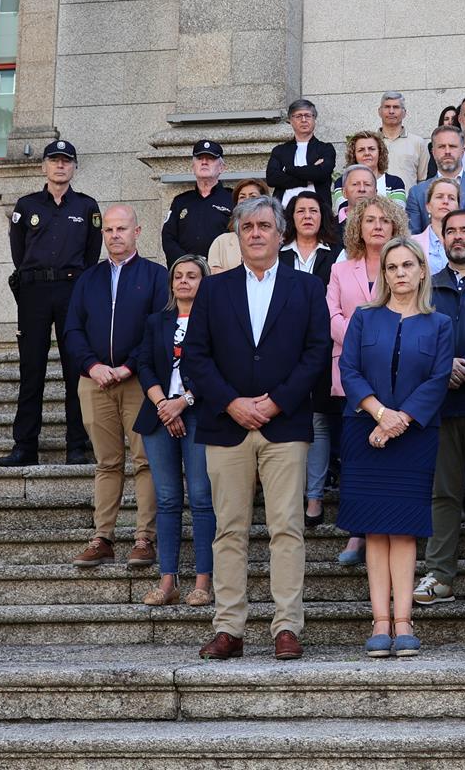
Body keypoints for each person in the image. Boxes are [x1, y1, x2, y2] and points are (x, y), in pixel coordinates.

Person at [184, 194, 331, 661]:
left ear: (280, 233)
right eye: (247, 227)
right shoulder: (213, 288)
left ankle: (287, 626)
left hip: (284, 425)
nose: (256, 234)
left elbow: (316, 351)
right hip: (225, 425)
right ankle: (229, 627)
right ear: (238, 235)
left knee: (286, 528)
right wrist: (231, 402)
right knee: (229, 530)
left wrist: (275, 402)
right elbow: (195, 357)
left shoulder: (306, 288)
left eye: (264, 226)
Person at [338, 237, 454, 658]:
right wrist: (379, 414)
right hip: (364, 431)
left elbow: (438, 379)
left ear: (422, 270)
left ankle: (404, 621)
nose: (400, 272)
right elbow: (348, 369)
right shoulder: (365, 318)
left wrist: (398, 420)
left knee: (404, 530)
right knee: (374, 529)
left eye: (408, 265)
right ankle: (380, 622)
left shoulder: (439, 324)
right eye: (392, 267)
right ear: (383, 274)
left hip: (415, 434)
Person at [63, 202, 169, 567]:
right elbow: (72, 330)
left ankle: (144, 538)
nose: (115, 235)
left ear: (137, 232)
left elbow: (158, 329)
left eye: (122, 229)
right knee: (107, 462)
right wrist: (92, 366)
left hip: (138, 382)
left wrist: (127, 367)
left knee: (145, 461)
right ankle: (102, 538)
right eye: (109, 230)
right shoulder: (87, 279)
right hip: (94, 383)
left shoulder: (156, 277)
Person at [1, 139, 101, 467]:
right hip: (34, 294)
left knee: (76, 369)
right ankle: (25, 446)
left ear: (74, 167)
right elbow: (19, 253)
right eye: (54, 161)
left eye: (66, 161)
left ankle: (77, 445)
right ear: (43, 166)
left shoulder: (86, 207)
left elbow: (90, 254)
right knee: (32, 369)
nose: (60, 166)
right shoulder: (27, 206)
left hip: (72, 293)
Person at [327, 195, 410, 564]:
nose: (377, 226)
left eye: (384, 220)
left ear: (395, 228)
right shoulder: (341, 269)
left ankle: (394, 528)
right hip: (352, 374)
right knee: (356, 459)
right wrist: (364, 337)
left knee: (393, 459)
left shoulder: (404, 267)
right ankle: (357, 535)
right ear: (357, 227)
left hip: (397, 376)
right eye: (369, 220)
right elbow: (330, 315)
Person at [417, 209, 465, 604]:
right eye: (451, 231)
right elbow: (414, 342)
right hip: (439, 406)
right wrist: (441, 366)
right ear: (441, 240)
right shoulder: (426, 289)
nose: (458, 236)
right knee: (442, 494)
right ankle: (439, 574)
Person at [133, 254, 215, 607]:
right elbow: (145, 364)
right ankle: (168, 580)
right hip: (157, 415)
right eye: (178, 276)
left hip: (198, 413)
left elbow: (216, 366)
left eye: (192, 276)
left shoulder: (215, 322)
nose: (183, 281)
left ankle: (203, 582)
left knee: (200, 497)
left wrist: (183, 402)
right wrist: (164, 405)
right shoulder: (156, 321)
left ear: (204, 281)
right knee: (166, 499)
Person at [280, 192, 341, 529]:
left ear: (323, 216)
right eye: (300, 211)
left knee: (318, 422)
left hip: (323, 345)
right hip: (283, 349)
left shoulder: (337, 255)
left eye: (313, 210)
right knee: (288, 422)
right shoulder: (279, 255)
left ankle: (314, 496)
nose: (307, 216)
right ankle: (290, 495)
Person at [407, 124, 465, 234]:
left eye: (452, 146)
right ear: (433, 152)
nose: (447, 151)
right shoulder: (417, 193)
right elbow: (413, 237)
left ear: (463, 151)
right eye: (442, 146)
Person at [161, 140, 235, 265]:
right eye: (200, 158)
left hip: (221, 272)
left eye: (210, 159)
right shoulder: (180, 201)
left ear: (222, 168)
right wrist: (187, 263)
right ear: (193, 167)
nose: (204, 162)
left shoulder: (233, 199)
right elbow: (168, 238)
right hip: (186, 273)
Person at [266, 98, 335, 210]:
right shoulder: (280, 150)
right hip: (284, 212)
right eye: (298, 116)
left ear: (314, 119)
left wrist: (288, 170)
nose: (304, 120)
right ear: (290, 121)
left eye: (308, 115)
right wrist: (310, 174)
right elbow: (272, 178)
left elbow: (322, 174)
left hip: (318, 211)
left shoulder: (325, 148)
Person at [207, 179, 270, 274]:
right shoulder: (221, 242)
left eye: (253, 196)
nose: (247, 200)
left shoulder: (274, 238)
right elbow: (212, 275)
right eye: (242, 197)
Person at [336, 131, 406, 209]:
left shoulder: (395, 183)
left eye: (371, 149)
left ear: (380, 153)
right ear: (353, 155)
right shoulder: (342, 182)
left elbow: (398, 214)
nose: (367, 153)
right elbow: (344, 212)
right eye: (361, 150)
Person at [377, 91, 429, 186]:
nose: (391, 111)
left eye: (396, 107)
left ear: (404, 113)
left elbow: (422, 180)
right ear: (379, 112)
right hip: (376, 200)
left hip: (408, 200)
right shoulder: (370, 143)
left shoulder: (418, 143)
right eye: (387, 107)